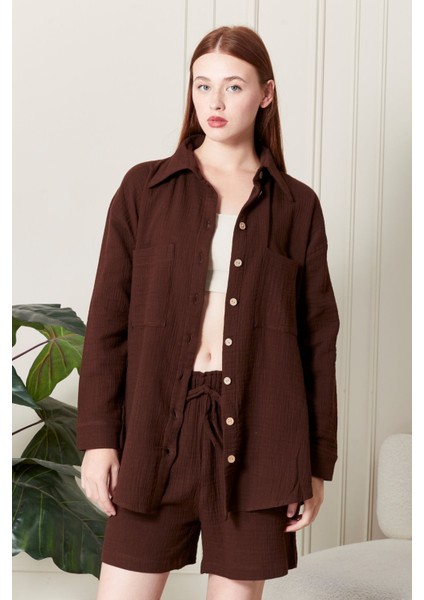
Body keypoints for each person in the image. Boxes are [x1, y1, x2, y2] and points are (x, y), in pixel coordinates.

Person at [77, 24, 340, 600]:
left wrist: (315, 465)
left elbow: (318, 342)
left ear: (266, 94)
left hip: (261, 434)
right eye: (202, 85)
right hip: (154, 428)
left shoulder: (296, 205)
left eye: (233, 86)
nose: (214, 102)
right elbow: (108, 323)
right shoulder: (144, 189)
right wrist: (98, 441)